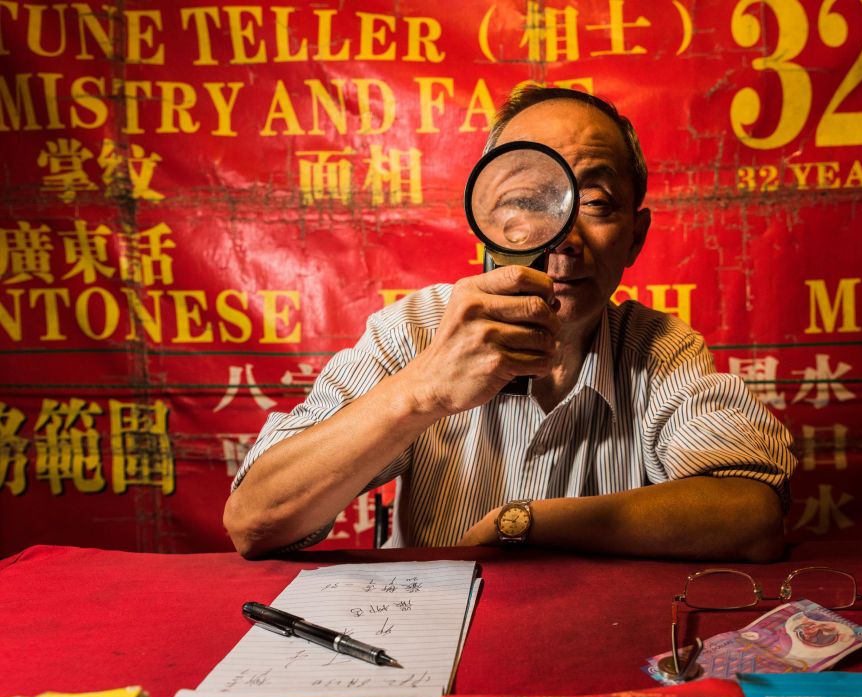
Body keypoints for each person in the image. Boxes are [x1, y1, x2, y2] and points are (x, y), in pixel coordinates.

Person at [224, 86, 796, 561]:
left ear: (636, 237)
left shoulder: (660, 349)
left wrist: (521, 524)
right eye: (529, 201)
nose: (565, 238)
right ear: (486, 225)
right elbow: (255, 522)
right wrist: (421, 391)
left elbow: (753, 515)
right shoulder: (413, 330)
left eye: (595, 203)